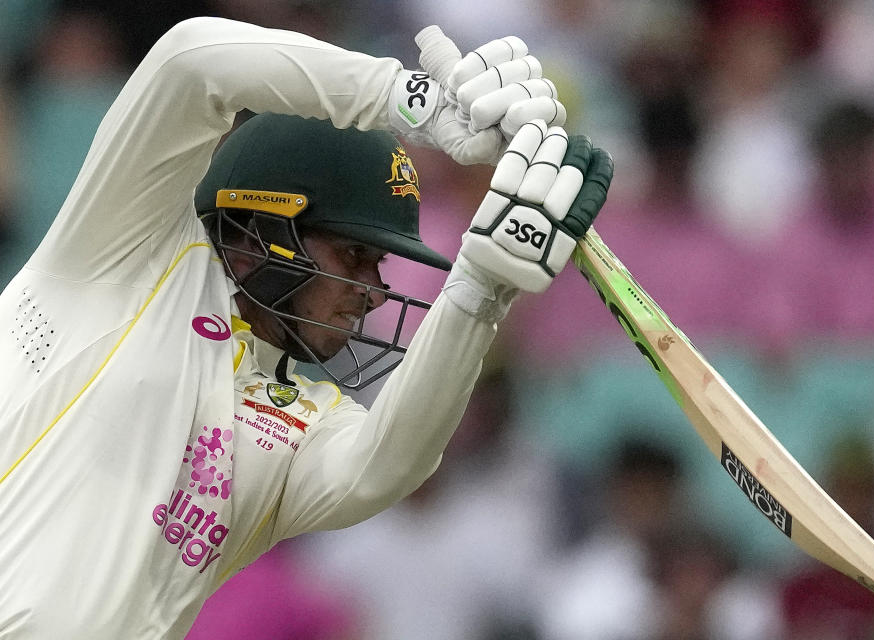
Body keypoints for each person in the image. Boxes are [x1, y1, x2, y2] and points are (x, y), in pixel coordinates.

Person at [0, 16, 612, 639]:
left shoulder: (298, 421)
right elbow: (189, 60)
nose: (374, 293)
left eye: (379, 265)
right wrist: (407, 100)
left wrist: (480, 288)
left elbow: (383, 467)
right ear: (264, 230)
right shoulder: (121, 254)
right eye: (354, 256)